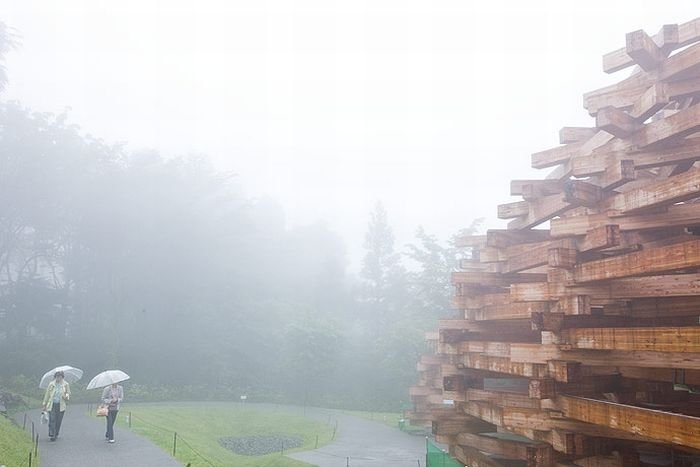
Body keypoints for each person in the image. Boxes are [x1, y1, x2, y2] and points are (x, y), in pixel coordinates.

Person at [42, 370, 70, 441]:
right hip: (52, 404)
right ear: (55, 377)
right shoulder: (51, 384)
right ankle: (52, 434)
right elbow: (47, 394)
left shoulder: (66, 384)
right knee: (52, 419)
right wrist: (44, 404)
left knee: (58, 420)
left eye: (60, 377)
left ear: (62, 377)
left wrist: (66, 397)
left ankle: (56, 433)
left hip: (61, 406)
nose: (58, 378)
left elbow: (68, 394)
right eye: (57, 377)